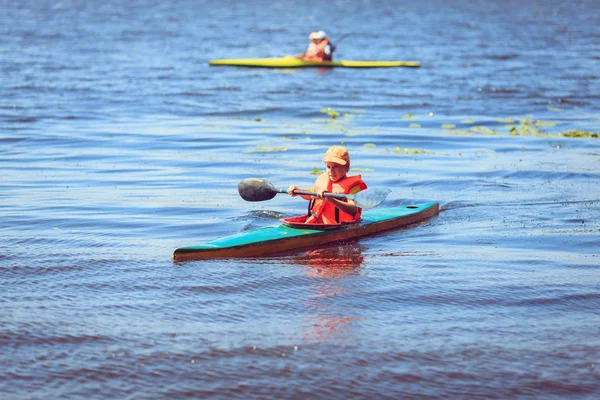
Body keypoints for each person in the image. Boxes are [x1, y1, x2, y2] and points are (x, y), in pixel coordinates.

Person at [287, 146, 367, 225]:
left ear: (347, 166)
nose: (331, 171)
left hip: (342, 227)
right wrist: (298, 191)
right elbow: (311, 195)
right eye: (328, 167)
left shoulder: (354, 187)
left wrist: (331, 199)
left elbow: (353, 209)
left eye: (335, 167)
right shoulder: (323, 181)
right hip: (320, 223)